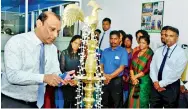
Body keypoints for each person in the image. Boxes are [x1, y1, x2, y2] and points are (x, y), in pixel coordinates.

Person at [1, 11, 75, 108]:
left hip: (37, 103)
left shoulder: (52, 48)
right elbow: (13, 75)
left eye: (58, 31)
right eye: (52, 29)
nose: (55, 35)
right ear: (39, 24)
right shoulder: (16, 42)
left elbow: (53, 72)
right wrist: (44, 78)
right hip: (12, 102)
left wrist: (62, 78)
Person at [150, 26, 188, 108]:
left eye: (171, 36)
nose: (168, 38)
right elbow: (152, 67)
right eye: (166, 35)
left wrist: (160, 84)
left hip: (171, 87)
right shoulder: (158, 50)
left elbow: (176, 74)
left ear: (177, 38)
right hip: (155, 86)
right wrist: (155, 82)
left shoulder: (181, 53)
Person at [100, 30, 128, 108]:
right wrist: (104, 75)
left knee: (117, 104)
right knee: (104, 103)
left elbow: (121, 68)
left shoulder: (123, 51)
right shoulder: (105, 51)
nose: (113, 41)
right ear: (109, 39)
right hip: (104, 81)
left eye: (115, 39)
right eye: (111, 38)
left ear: (119, 40)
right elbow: (101, 65)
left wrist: (109, 77)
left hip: (117, 82)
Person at [128, 35, 153, 108]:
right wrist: (133, 77)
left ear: (148, 44)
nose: (141, 44)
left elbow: (147, 69)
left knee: (142, 100)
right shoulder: (136, 52)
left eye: (143, 43)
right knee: (132, 100)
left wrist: (135, 77)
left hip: (144, 81)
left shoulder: (150, 54)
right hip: (134, 81)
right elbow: (131, 66)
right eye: (140, 42)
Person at [60, 35, 82, 108]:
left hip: (77, 82)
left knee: (75, 104)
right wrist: (69, 80)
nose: (77, 45)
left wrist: (76, 80)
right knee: (67, 102)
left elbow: (82, 69)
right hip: (66, 82)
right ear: (71, 42)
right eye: (76, 43)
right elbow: (62, 68)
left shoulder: (81, 55)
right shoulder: (64, 53)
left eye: (79, 44)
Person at [121, 34, 133, 107]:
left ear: (131, 41)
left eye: (128, 40)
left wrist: (130, 75)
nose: (126, 42)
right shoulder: (121, 51)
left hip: (131, 75)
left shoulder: (134, 52)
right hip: (121, 74)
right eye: (125, 41)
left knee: (129, 96)